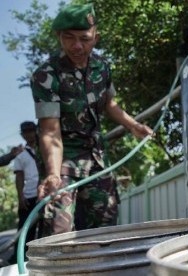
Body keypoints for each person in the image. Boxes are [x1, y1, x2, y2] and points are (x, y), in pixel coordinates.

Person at [30, 3, 153, 235]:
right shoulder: (46, 75)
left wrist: (134, 126)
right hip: (63, 160)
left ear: (96, 37)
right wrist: (54, 174)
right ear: (59, 37)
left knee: (104, 226)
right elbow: (49, 131)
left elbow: (109, 103)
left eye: (84, 38)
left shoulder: (102, 68)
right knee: (58, 230)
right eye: (69, 38)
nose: (77, 46)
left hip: (96, 159)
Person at [9, 122, 41, 264]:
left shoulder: (45, 148)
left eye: (31, 131)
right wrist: (20, 196)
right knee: (25, 229)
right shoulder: (20, 154)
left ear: (36, 131)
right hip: (29, 196)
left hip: (45, 194)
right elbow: (19, 176)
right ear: (22, 134)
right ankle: (18, 260)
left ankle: (41, 257)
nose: (29, 134)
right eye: (26, 132)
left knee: (46, 228)